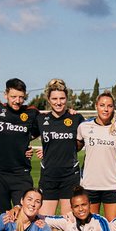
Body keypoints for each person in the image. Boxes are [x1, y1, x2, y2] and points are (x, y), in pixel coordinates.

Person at [0, 78, 39, 216]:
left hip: (21, 175)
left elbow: (50, 125)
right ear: (5, 94)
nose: (17, 100)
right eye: (13, 96)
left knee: (24, 216)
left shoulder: (31, 113)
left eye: (21, 97)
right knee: (2, 218)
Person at [36, 78, 84, 216]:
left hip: (70, 176)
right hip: (48, 176)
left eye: (62, 98)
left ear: (67, 98)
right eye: (55, 98)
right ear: (49, 100)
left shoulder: (76, 118)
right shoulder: (40, 119)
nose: (59, 102)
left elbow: (82, 142)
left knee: (68, 223)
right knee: (44, 222)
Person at [77, 92, 116, 220]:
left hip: (112, 186)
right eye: (102, 105)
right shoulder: (84, 126)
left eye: (109, 106)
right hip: (89, 185)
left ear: (114, 108)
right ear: (96, 106)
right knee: (92, 230)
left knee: (112, 229)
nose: (105, 109)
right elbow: (71, 148)